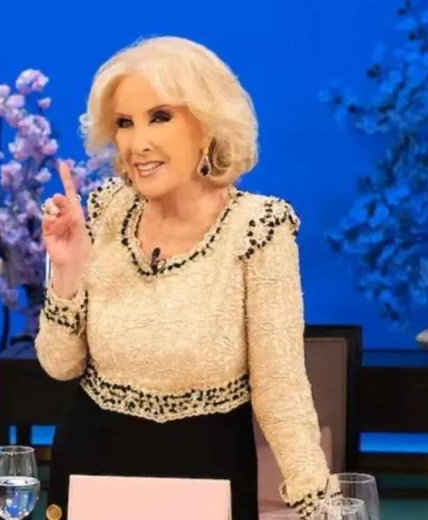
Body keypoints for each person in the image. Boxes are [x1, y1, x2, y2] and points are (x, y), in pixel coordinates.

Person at [35, 35, 338, 520]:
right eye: (124, 123)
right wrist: (67, 268)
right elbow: (59, 365)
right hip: (91, 472)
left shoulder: (258, 227)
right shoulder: (107, 211)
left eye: (159, 117)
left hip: (206, 477)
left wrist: (319, 506)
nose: (138, 143)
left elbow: (281, 388)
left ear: (208, 125)